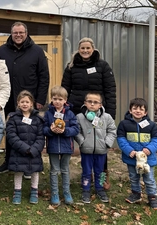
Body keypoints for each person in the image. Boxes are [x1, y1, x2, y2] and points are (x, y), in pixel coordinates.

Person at [61, 37, 116, 189]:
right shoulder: (71, 66)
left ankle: (103, 175)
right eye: (82, 48)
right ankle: (87, 174)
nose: (85, 51)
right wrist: (65, 111)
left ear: (93, 49)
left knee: (100, 147)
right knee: (84, 145)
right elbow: (64, 89)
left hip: (98, 113)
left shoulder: (103, 66)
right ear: (78, 50)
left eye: (88, 48)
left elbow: (110, 90)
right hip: (78, 111)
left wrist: (110, 113)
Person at [0, 21, 49, 176]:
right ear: (11, 34)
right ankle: (8, 161)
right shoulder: (2, 51)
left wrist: (40, 99)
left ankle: (29, 164)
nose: (18, 35)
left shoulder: (37, 51)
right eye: (15, 33)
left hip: (29, 101)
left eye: (21, 32)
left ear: (26, 33)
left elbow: (44, 76)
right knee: (11, 131)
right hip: (9, 99)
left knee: (29, 132)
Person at [116, 98, 157, 209]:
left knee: (149, 178)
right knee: (133, 177)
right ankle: (136, 194)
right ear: (130, 110)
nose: (138, 111)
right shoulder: (124, 124)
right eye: (135, 108)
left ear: (145, 112)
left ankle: (152, 197)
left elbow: (156, 139)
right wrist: (129, 150)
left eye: (141, 109)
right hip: (132, 158)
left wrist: (149, 149)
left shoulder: (151, 125)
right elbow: (121, 139)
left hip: (148, 159)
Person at [75, 92, 117, 204]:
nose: (92, 104)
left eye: (95, 102)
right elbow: (76, 131)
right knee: (86, 171)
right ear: (85, 103)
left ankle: (100, 188)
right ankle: (86, 189)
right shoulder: (79, 117)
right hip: (86, 150)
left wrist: (107, 143)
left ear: (100, 105)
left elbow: (112, 131)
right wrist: (82, 142)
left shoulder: (107, 117)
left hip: (101, 150)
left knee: (101, 171)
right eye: (89, 101)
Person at [6, 90, 45, 204]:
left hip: (34, 152)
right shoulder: (13, 118)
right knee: (18, 172)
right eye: (22, 102)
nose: (25, 104)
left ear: (31, 103)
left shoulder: (38, 119)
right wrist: (25, 148)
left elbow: (40, 136)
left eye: (27, 102)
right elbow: (11, 135)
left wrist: (34, 149)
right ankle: (17, 192)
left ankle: (34, 191)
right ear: (18, 103)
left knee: (34, 171)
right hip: (19, 151)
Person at [42, 86, 79, 205]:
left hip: (66, 146)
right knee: (54, 170)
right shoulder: (48, 114)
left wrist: (65, 131)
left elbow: (75, 129)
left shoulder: (70, 114)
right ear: (51, 99)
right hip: (52, 146)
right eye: (54, 98)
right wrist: (50, 130)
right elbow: (43, 129)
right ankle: (54, 193)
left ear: (65, 100)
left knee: (65, 170)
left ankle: (67, 192)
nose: (57, 101)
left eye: (60, 99)